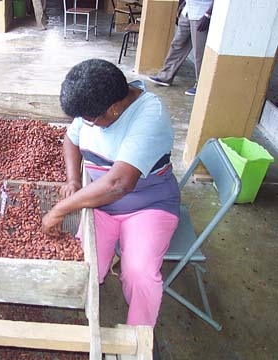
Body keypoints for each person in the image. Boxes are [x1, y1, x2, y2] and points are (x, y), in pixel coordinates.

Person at [42, 59, 180, 328]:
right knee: (86, 268)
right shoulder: (95, 106)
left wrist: (61, 208)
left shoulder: (150, 115)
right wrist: (73, 180)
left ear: (115, 109)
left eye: (90, 120)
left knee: (139, 274)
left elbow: (119, 184)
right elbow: (71, 139)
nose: (85, 123)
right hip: (101, 206)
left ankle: (138, 338)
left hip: (147, 206)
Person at [147, 0, 214, 96]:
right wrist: (183, 4)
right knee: (177, 45)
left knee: (199, 52)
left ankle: (200, 85)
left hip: (201, 13)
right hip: (188, 10)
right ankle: (165, 76)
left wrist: (208, 14)